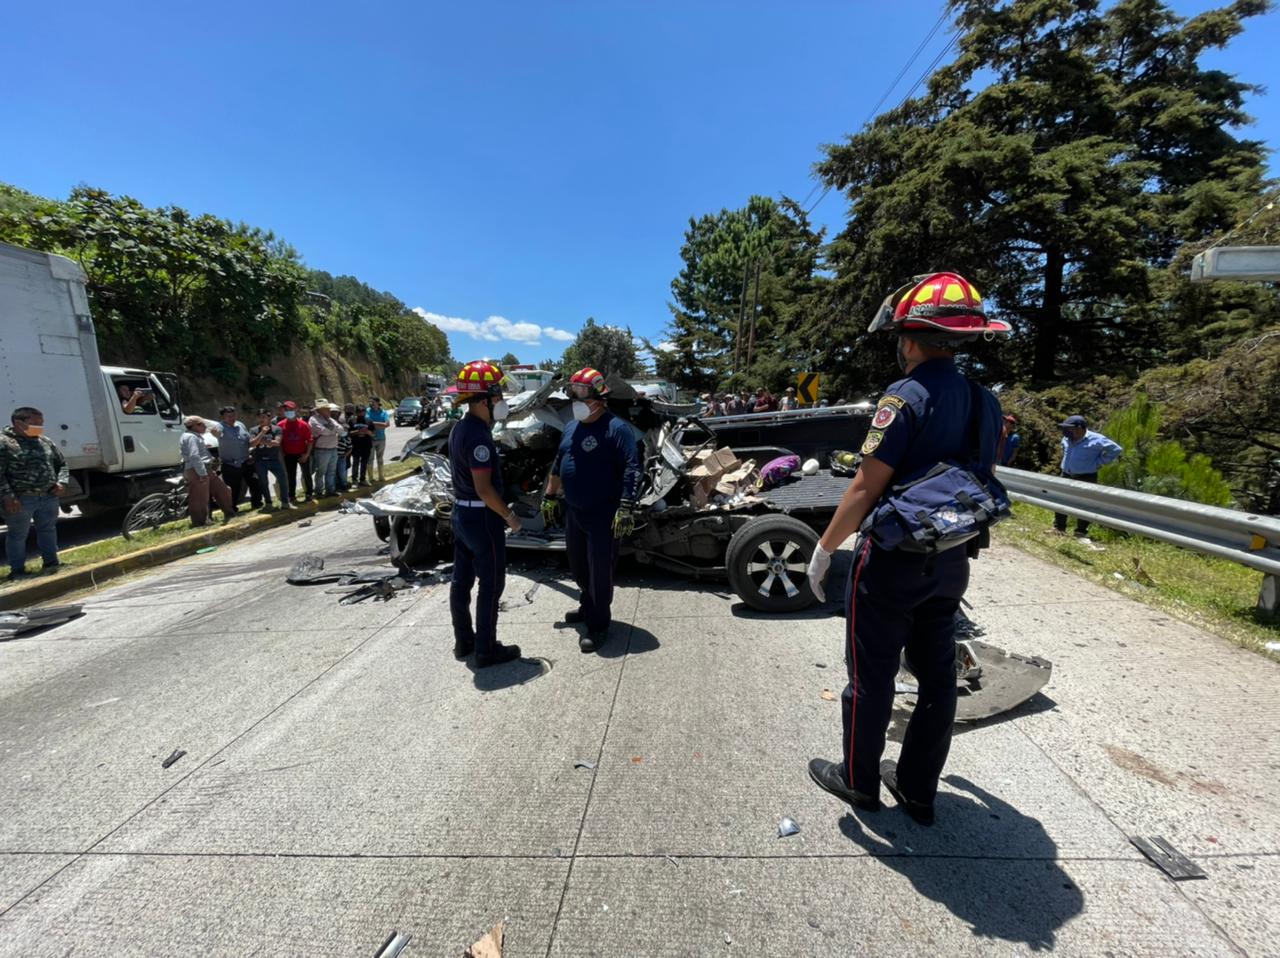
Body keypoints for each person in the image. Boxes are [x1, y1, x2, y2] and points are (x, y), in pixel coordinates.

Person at [805, 271, 1009, 827]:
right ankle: (919, 789)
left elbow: (866, 486)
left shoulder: (904, 396)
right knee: (937, 676)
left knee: (871, 675)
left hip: (893, 560)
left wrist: (825, 549)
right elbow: (981, 478)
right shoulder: (983, 400)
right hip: (950, 559)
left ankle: (858, 778)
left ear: (913, 337)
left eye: (901, 335)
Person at [540, 367, 642, 653]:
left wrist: (626, 505)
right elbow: (559, 463)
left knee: (600, 572)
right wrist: (550, 495)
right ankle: (587, 607)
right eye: (574, 392)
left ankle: (599, 625)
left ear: (600, 398)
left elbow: (632, 469)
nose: (576, 400)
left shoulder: (617, 429)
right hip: (575, 511)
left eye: (582, 394)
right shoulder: (572, 426)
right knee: (579, 567)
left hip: (604, 514)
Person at [448, 360, 522, 668]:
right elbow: (485, 490)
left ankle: (465, 641)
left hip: (462, 516)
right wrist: (509, 516)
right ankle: (486, 649)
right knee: (491, 584)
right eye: (498, 397)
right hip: (482, 518)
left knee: (460, 581)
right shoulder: (478, 436)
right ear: (484, 400)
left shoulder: (460, 428)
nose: (501, 402)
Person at [1, 406, 68, 579]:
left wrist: (61, 482)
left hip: (48, 496)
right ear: (18, 422)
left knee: (48, 529)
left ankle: (51, 563)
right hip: (21, 499)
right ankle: (17, 571)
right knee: (17, 535)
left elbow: (62, 464)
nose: (40, 427)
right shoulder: (4, 443)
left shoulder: (44, 441)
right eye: (36, 423)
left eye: (41, 423)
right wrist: (8, 496)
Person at [1055, 414, 1122, 537]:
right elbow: (1064, 449)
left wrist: (1099, 462)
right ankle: (1059, 529)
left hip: (1086, 476)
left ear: (1079, 428)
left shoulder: (1097, 439)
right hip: (1066, 474)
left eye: (1069, 428)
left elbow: (1116, 449)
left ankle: (1080, 532)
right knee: (1061, 500)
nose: (1066, 431)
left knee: (1085, 504)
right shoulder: (1066, 438)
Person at [180, 416, 235, 527]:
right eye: (202, 424)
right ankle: (200, 523)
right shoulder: (191, 437)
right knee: (200, 498)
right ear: (194, 426)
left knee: (224, 490)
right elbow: (194, 456)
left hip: (204, 468)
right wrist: (202, 473)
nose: (205, 426)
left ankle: (229, 513)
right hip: (196, 470)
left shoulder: (195, 436)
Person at [211, 405, 261, 510]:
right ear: (222, 418)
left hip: (247, 461)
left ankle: (257, 504)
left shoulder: (240, 425)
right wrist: (215, 433)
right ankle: (232, 509)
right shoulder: (220, 426)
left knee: (255, 483)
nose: (232, 418)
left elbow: (247, 441)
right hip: (231, 465)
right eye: (228, 416)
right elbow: (216, 432)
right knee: (234, 489)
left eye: (233, 415)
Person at [249, 408, 291, 510]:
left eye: (264, 417)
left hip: (274, 459)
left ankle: (285, 502)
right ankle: (268, 503)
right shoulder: (253, 430)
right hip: (260, 460)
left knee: (283, 480)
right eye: (259, 417)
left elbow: (276, 443)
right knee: (263, 482)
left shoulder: (277, 429)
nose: (261, 419)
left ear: (269, 418)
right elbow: (252, 443)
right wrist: (262, 433)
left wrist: (261, 441)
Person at [278, 401, 314, 503]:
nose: (288, 412)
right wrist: (282, 453)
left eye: (290, 410)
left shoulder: (303, 424)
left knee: (307, 474)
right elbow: (279, 442)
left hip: (302, 453)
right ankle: (292, 496)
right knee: (291, 476)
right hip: (288, 455)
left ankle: (309, 494)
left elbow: (310, 440)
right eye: (286, 410)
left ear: (296, 410)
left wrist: (307, 454)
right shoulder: (280, 425)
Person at [309, 401, 342, 497]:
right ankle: (318, 491)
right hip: (322, 449)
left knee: (331, 471)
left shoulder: (330, 419)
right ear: (320, 410)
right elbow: (322, 431)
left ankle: (330, 490)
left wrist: (332, 429)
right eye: (326, 408)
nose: (329, 410)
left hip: (333, 448)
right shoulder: (313, 419)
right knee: (321, 471)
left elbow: (340, 429)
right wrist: (334, 431)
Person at [366, 397, 390, 481]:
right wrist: (381, 424)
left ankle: (381, 476)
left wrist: (372, 423)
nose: (371, 403)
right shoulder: (368, 411)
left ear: (377, 402)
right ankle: (371, 478)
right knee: (370, 459)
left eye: (372, 402)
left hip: (381, 438)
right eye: (370, 402)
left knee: (380, 458)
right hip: (370, 438)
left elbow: (387, 424)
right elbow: (367, 423)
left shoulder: (384, 412)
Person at [349, 408, 374, 485]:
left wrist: (367, 432)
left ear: (365, 412)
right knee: (355, 463)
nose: (361, 413)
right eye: (359, 411)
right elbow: (348, 433)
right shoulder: (352, 420)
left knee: (364, 463)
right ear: (356, 412)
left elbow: (373, 434)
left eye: (363, 411)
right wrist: (357, 432)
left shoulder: (369, 421)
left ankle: (362, 479)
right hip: (356, 445)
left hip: (366, 445)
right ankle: (354, 480)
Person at [335, 403, 355, 492]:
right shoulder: (341, 418)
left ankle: (344, 482)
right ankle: (339, 483)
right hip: (338, 451)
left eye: (352, 409)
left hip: (345, 448)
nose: (350, 411)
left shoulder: (351, 418)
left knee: (345, 466)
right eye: (349, 409)